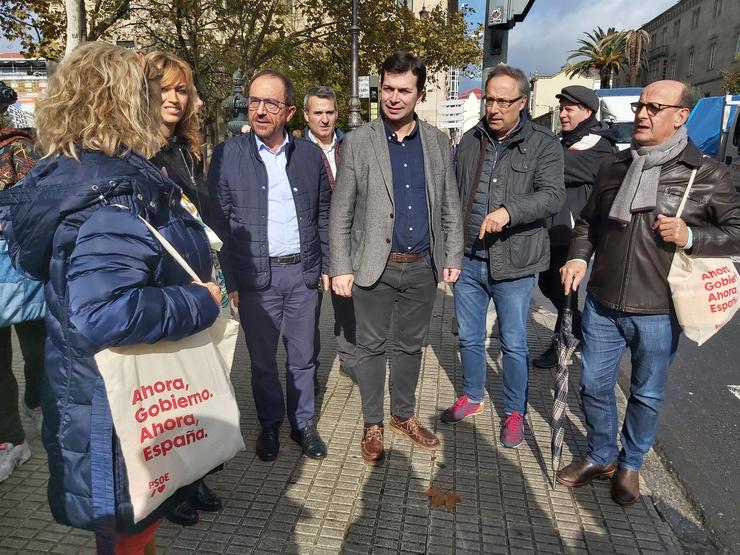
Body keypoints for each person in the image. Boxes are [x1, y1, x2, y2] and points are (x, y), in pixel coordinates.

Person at [0, 42, 223, 552]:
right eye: (149, 89)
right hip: (119, 409)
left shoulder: (84, 176)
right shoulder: (111, 190)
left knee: (129, 536)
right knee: (128, 537)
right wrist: (201, 302)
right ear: (121, 99)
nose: (164, 101)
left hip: (103, 398)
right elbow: (103, 312)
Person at [556, 80, 740, 506]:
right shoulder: (616, 166)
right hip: (602, 302)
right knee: (594, 387)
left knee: (647, 393)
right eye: (641, 105)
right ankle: (602, 455)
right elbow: (588, 223)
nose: (642, 113)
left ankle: (631, 464)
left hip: (658, 309)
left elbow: (735, 232)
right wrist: (580, 257)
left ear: (681, 116)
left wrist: (692, 235)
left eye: (655, 107)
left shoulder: (704, 173)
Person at [329, 51, 463, 466]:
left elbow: (450, 205)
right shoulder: (359, 141)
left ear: (419, 94)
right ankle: (373, 423)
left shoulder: (439, 143)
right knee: (369, 347)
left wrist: (452, 253)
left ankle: (403, 414)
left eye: (404, 90)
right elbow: (341, 210)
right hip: (374, 266)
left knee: (410, 347)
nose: (394, 97)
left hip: (422, 265)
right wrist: (341, 267)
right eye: (388, 88)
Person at [208, 70, 330, 462]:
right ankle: (270, 425)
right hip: (256, 278)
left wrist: (326, 265)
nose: (260, 110)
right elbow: (219, 223)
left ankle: (303, 424)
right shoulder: (229, 155)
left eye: (271, 103)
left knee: (303, 357)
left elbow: (323, 214)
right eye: (255, 101)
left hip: (302, 276)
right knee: (262, 362)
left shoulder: (310, 156)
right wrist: (231, 281)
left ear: (290, 111)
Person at [441, 65, 565, 450]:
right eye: (489, 98)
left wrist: (510, 211)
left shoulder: (544, 143)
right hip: (469, 259)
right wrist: (449, 249)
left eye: (503, 100)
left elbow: (552, 196)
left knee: (513, 342)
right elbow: (455, 194)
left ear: (522, 102)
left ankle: (515, 411)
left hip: (515, 263)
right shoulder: (472, 139)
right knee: (470, 337)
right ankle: (473, 396)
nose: (493, 108)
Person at [145, 50, 224, 528]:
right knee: (166, 392)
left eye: (181, 89)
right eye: (165, 88)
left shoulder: (185, 147)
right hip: (162, 285)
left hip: (197, 280)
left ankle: (192, 477)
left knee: (194, 388)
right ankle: (169, 486)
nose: (175, 98)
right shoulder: (134, 149)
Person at [533, 85, 616, 368]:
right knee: (549, 283)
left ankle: (565, 343)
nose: (563, 114)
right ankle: (578, 333)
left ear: (588, 112)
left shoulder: (598, 145)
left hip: (573, 232)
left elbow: (555, 167)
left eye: (569, 109)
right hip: (554, 229)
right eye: (562, 108)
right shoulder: (567, 139)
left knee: (564, 290)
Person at [0, 81, 46, 483]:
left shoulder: (19, 149)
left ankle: (40, 404)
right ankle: (11, 439)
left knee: (37, 350)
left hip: (21, 270)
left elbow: (33, 209)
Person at [303, 85, 356, 381]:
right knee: (307, 315)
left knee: (347, 306)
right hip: (310, 243)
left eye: (330, 112)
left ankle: (351, 359)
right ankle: (308, 371)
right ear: (307, 116)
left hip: (345, 242)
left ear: (337, 113)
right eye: (318, 113)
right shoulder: (296, 152)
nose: (324, 119)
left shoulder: (351, 145)